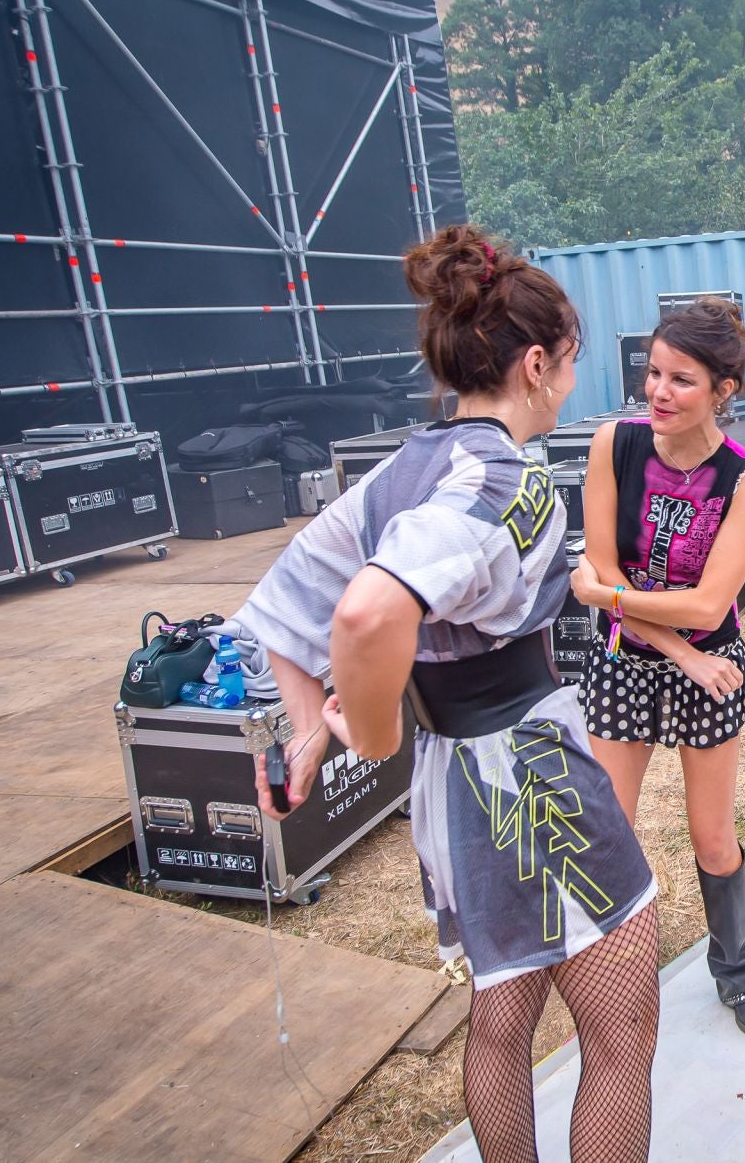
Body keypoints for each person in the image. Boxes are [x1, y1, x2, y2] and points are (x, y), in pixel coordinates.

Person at [238, 226, 659, 1163]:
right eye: (572, 364)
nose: (572, 385)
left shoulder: (402, 467)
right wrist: (375, 736)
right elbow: (360, 617)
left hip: (454, 782)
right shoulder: (501, 478)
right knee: (621, 1026)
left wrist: (311, 737)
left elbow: (286, 614)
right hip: (529, 772)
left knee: (504, 1012)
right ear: (538, 364)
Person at [568, 297, 745, 1039]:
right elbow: (602, 569)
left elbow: (706, 601)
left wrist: (628, 605)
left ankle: (738, 968)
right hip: (638, 662)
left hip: (709, 665)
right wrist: (681, 651)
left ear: (724, 390)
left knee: (713, 837)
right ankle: (616, 979)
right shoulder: (614, 445)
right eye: (653, 373)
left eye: (681, 380)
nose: (658, 392)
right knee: (609, 834)